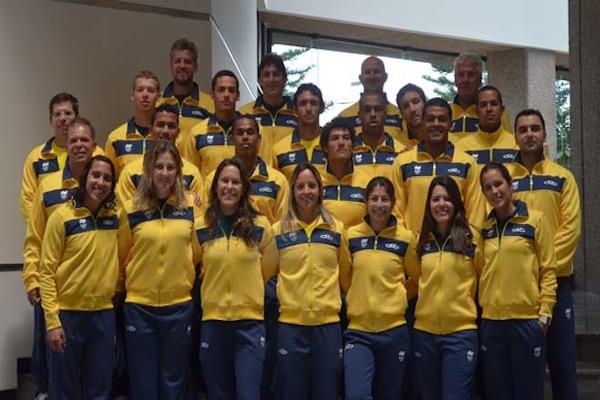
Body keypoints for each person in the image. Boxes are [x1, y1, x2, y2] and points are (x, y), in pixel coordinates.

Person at [507, 109, 582, 399]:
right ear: (515, 135)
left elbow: (570, 230)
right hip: (519, 288)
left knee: (562, 363)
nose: (529, 134)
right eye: (523, 129)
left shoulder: (562, 177)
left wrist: (544, 270)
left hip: (557, 283)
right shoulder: (504, 179)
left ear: (544, 134)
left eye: (534, 128)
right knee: (528, 368)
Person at [23, 117, 98, 400]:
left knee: (97, 377)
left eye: (85, 140)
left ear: (94, 145)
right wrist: (31, 277)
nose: (79, 145)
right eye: (74, 140)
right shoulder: (48, 186)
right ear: (66, 143)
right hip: (56, 292)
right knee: (59, 374)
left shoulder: (104, 184)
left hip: (95, 300)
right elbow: (34, 237)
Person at [118, 140, 200, 399]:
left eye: (170, 167)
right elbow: (121, 255)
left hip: (178, 307)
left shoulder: (190, 209)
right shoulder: (131, 210)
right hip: (140, 308)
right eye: (158, 167)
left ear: (178, 172)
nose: (164, 174)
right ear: (148, 170)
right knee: (143, 382)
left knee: (173, 381)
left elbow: (197, 253)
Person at [196, 158, 278, 399]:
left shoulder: (261, 226)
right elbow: (193, 263)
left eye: (235, 182)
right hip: (213, 322)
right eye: (224, 181)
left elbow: (268, 270)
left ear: (243, 188)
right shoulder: (201, 227)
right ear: (215, 187)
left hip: (249, 324)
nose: (229, 187)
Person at [39, 155, 119, 399]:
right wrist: (53, 322)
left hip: (103, 317)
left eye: (107, 178)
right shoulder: (62, 217)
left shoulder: (116, 216)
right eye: (96, 175)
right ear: (85, 178)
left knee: (100, 389)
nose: (100, 182)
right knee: (63, 390)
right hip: (68, 317)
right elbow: (46, 272)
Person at [478, 163, 557, 400]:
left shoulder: (535, 220)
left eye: (498, 184)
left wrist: (544, 316)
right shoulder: (484, 228)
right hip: (492, 323)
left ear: (510, 184)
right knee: (497, 393)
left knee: (528, 392)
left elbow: (549, 270)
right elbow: (481, 270)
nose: (495, 191)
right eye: (488, 187)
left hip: (526, 323)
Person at [273, 163, 351, 399]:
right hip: (290, 326)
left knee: (326, 393)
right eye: (300, 186)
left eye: (311, 186)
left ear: (320, 190)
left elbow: (346, 276)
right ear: (293, 192)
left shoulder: (337, 229)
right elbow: (267, 272)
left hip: (327, 327)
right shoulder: (278, 231)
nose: (306, 191)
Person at [344, 176, 418, 399]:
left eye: (385, 199)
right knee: (357, 394)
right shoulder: (351, 236)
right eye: (374, 199)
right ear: (366, 202)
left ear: (393, 202)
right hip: (359, 332)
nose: (379, 205)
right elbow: (345, 278)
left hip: (393, 331)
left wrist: (399, 296)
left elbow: (417, 278)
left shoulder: (405, 238)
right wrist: (358, 296)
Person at [412, 176, 483, 399]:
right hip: (425, 334)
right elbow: (415, 279)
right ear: (428, 205)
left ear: (456, 204)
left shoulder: (473, 239)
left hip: (460, 335)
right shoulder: (421, 242)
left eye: (447, 199)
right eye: (435, 199)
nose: (441, 204)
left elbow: (484, 279)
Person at [392, 97, 485, 234]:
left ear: (450, 124)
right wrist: (410, 242)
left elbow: (475, 216)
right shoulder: (402, 163)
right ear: (423, 123)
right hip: (414, 249)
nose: (436, 124)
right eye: (430, 119)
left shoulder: (467, 164)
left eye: (442, 119)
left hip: (455, 250)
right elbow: (396, 213)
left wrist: (463, 241)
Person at [20, 93, 103, 223]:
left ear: (77, 117)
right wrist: (43, 229)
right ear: (50, 119)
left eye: (68, 113)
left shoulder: (97, 154)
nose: (62, 118)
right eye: (57, 114)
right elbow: (28, 199)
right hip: (49, 234)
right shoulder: (36, 158)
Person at [116, 104, 204, 204]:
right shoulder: (130, 173)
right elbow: (126, 214)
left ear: (178, 132)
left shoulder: (192, 173)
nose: (165, 131)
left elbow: (198, 214)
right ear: (151, 130)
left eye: (171, 126)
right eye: (160, 125)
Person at [239, 53, 297, 164]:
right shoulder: (245, 113)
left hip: (290, 176)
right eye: (266, 75)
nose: (271, 79)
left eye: (276, 74)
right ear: (260, 80)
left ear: (285, 79)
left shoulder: (297, 114)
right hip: (256, 178)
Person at [183, 70, 239, 178]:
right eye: (221, 90)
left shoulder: (251, 132)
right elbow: (190, 175)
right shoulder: (196, 133)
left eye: (231, 90)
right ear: (212, 94)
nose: (226, 95)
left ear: (238, 95)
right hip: (207, 194)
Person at [158, 38, 214, 147]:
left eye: (187, 62)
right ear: (171, 65)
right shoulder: (157, 102)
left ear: (195, 67)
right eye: (177, 61)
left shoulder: (211, 105)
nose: (182, 66)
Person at [105, 70, 161, 178]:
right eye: (140, 90)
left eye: (150, 90)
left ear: (158, 97)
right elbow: (110, 181)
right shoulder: (115, 139)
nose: (145, 95)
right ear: (132, 96)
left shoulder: (166, 136)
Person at [339, 56, 406, 142]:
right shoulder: (343, 117)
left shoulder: (401, 116)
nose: (372, 76)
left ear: (385, 77)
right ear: (360, 78)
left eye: (377, 72)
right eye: (367, 72)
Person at [450, 53, 511, 141]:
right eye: (461, 75)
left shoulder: (494, 112)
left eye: (471, 75)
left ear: (480, 79)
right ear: (455, 80)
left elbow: (508, 144)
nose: (465, 80)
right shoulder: (446, 113)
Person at [272, 83, 326, 180]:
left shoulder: (332, 145)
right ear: (295, 109)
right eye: (303, 103)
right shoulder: (279, 150)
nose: (308, 109)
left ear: (322, 108)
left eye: (313, 103)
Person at [320, 117, 366, 229]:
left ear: (353, 147)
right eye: (335, 138)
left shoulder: (368, 181)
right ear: (325, 147)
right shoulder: (314, 181)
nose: (341, 143)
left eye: (346, 138)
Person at [352, 91, 404, 188]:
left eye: (377, 109)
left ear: (385, 114)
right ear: (359, 115)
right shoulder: (348, 151)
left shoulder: (401, 151)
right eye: (367, 110)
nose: (372, 114)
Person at [455, 85, 518, 165]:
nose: (489, 109)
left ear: (502, 110)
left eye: (494, 104)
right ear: (476, 112)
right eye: (483, 105)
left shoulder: (516, 145)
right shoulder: (462, 147)